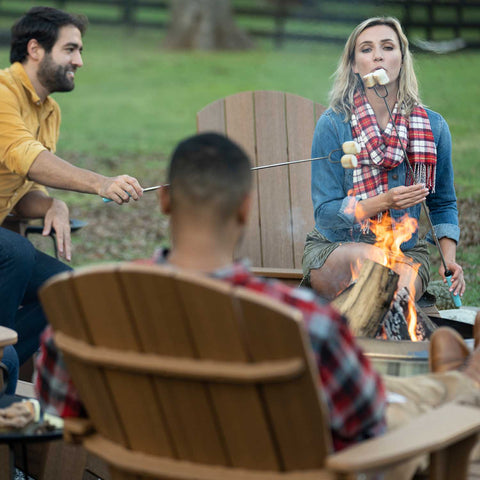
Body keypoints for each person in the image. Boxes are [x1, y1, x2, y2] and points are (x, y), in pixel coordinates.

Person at [35, 133, 480, 478]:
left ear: (165, 202)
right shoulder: (300, 322)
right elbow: (365, 422)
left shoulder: (88, 308)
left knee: (424, 392)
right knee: (419, 405)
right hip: (288, 464)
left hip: (154, 460)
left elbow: (58, 403)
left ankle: (457, 381)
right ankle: (464, 385)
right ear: (246, 209)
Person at [0, 7, 144, 392]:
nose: (79, 60)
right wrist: (100, 183)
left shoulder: (49, 111)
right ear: (35, 49)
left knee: (66, 290)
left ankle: (5, 363)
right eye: (70, 49)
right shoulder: (1, 94)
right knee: (15, 252)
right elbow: (26, 157)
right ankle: (3, 363)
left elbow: (21, 187)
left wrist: (52, 205)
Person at [302, 16, 464, 303]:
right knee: (376, 261)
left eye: (387, 47)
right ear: (354, 65)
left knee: (394, 289)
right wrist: (385, 201)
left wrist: (447, 257)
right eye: (366, 49)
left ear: (401, 58)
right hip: (338, 248)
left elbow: (443, 204)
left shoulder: (433, 127)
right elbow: (325, 214)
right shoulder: (333, 125)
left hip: (405, 253)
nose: (377, 55)